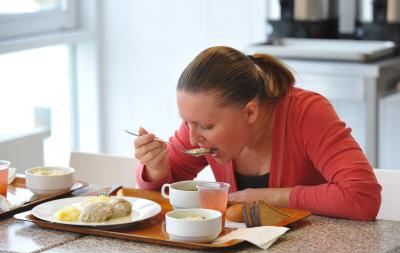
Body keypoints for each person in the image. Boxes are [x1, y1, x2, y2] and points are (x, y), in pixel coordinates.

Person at [133, 46, 381, 221]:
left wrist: (268, 197)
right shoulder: (198, 123)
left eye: (206, 127)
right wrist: (155, 168)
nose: (192, 137)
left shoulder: (307, 113)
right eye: (187, 123)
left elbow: (362, 197)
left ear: (250, 112)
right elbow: (165, 190)